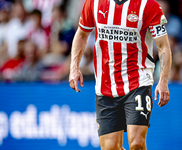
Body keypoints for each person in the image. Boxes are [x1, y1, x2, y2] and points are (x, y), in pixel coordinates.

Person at [69, 0, 172, 149]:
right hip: (105, 86)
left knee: (137, 143)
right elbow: (82, 34)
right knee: (110, 147)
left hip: (138, 81)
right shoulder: (94, 3)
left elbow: (163, 46)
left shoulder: (149, 5)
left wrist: (163, 81)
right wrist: (74, 68)